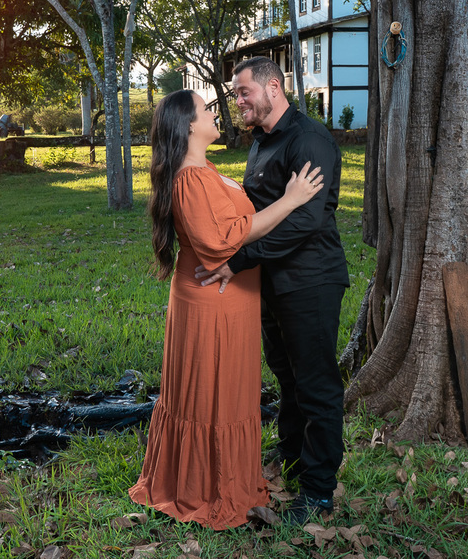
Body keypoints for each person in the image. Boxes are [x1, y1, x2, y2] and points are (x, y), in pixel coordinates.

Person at [129, 89, 325, 531]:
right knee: (212, 396)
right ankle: (205, 488)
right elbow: (224, 241)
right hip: (211, 305)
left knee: (228, 392)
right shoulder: (188, 179)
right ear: (189, 126)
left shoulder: (204, 171)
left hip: (229, 301)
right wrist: (291, 199)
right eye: (206, 109)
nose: (215, 111)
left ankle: (227, 477)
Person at [196, 56, 350, 525]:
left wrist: (237, 261)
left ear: (274, 87)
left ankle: (319, 491)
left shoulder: (309, 139)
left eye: (243, 92)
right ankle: (291, 458)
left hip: (309, 280)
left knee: (316, 384)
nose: (237, 101)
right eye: (235, 94)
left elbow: (305, 219)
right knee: (286, 377)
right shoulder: (261, 142)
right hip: (271, 282)